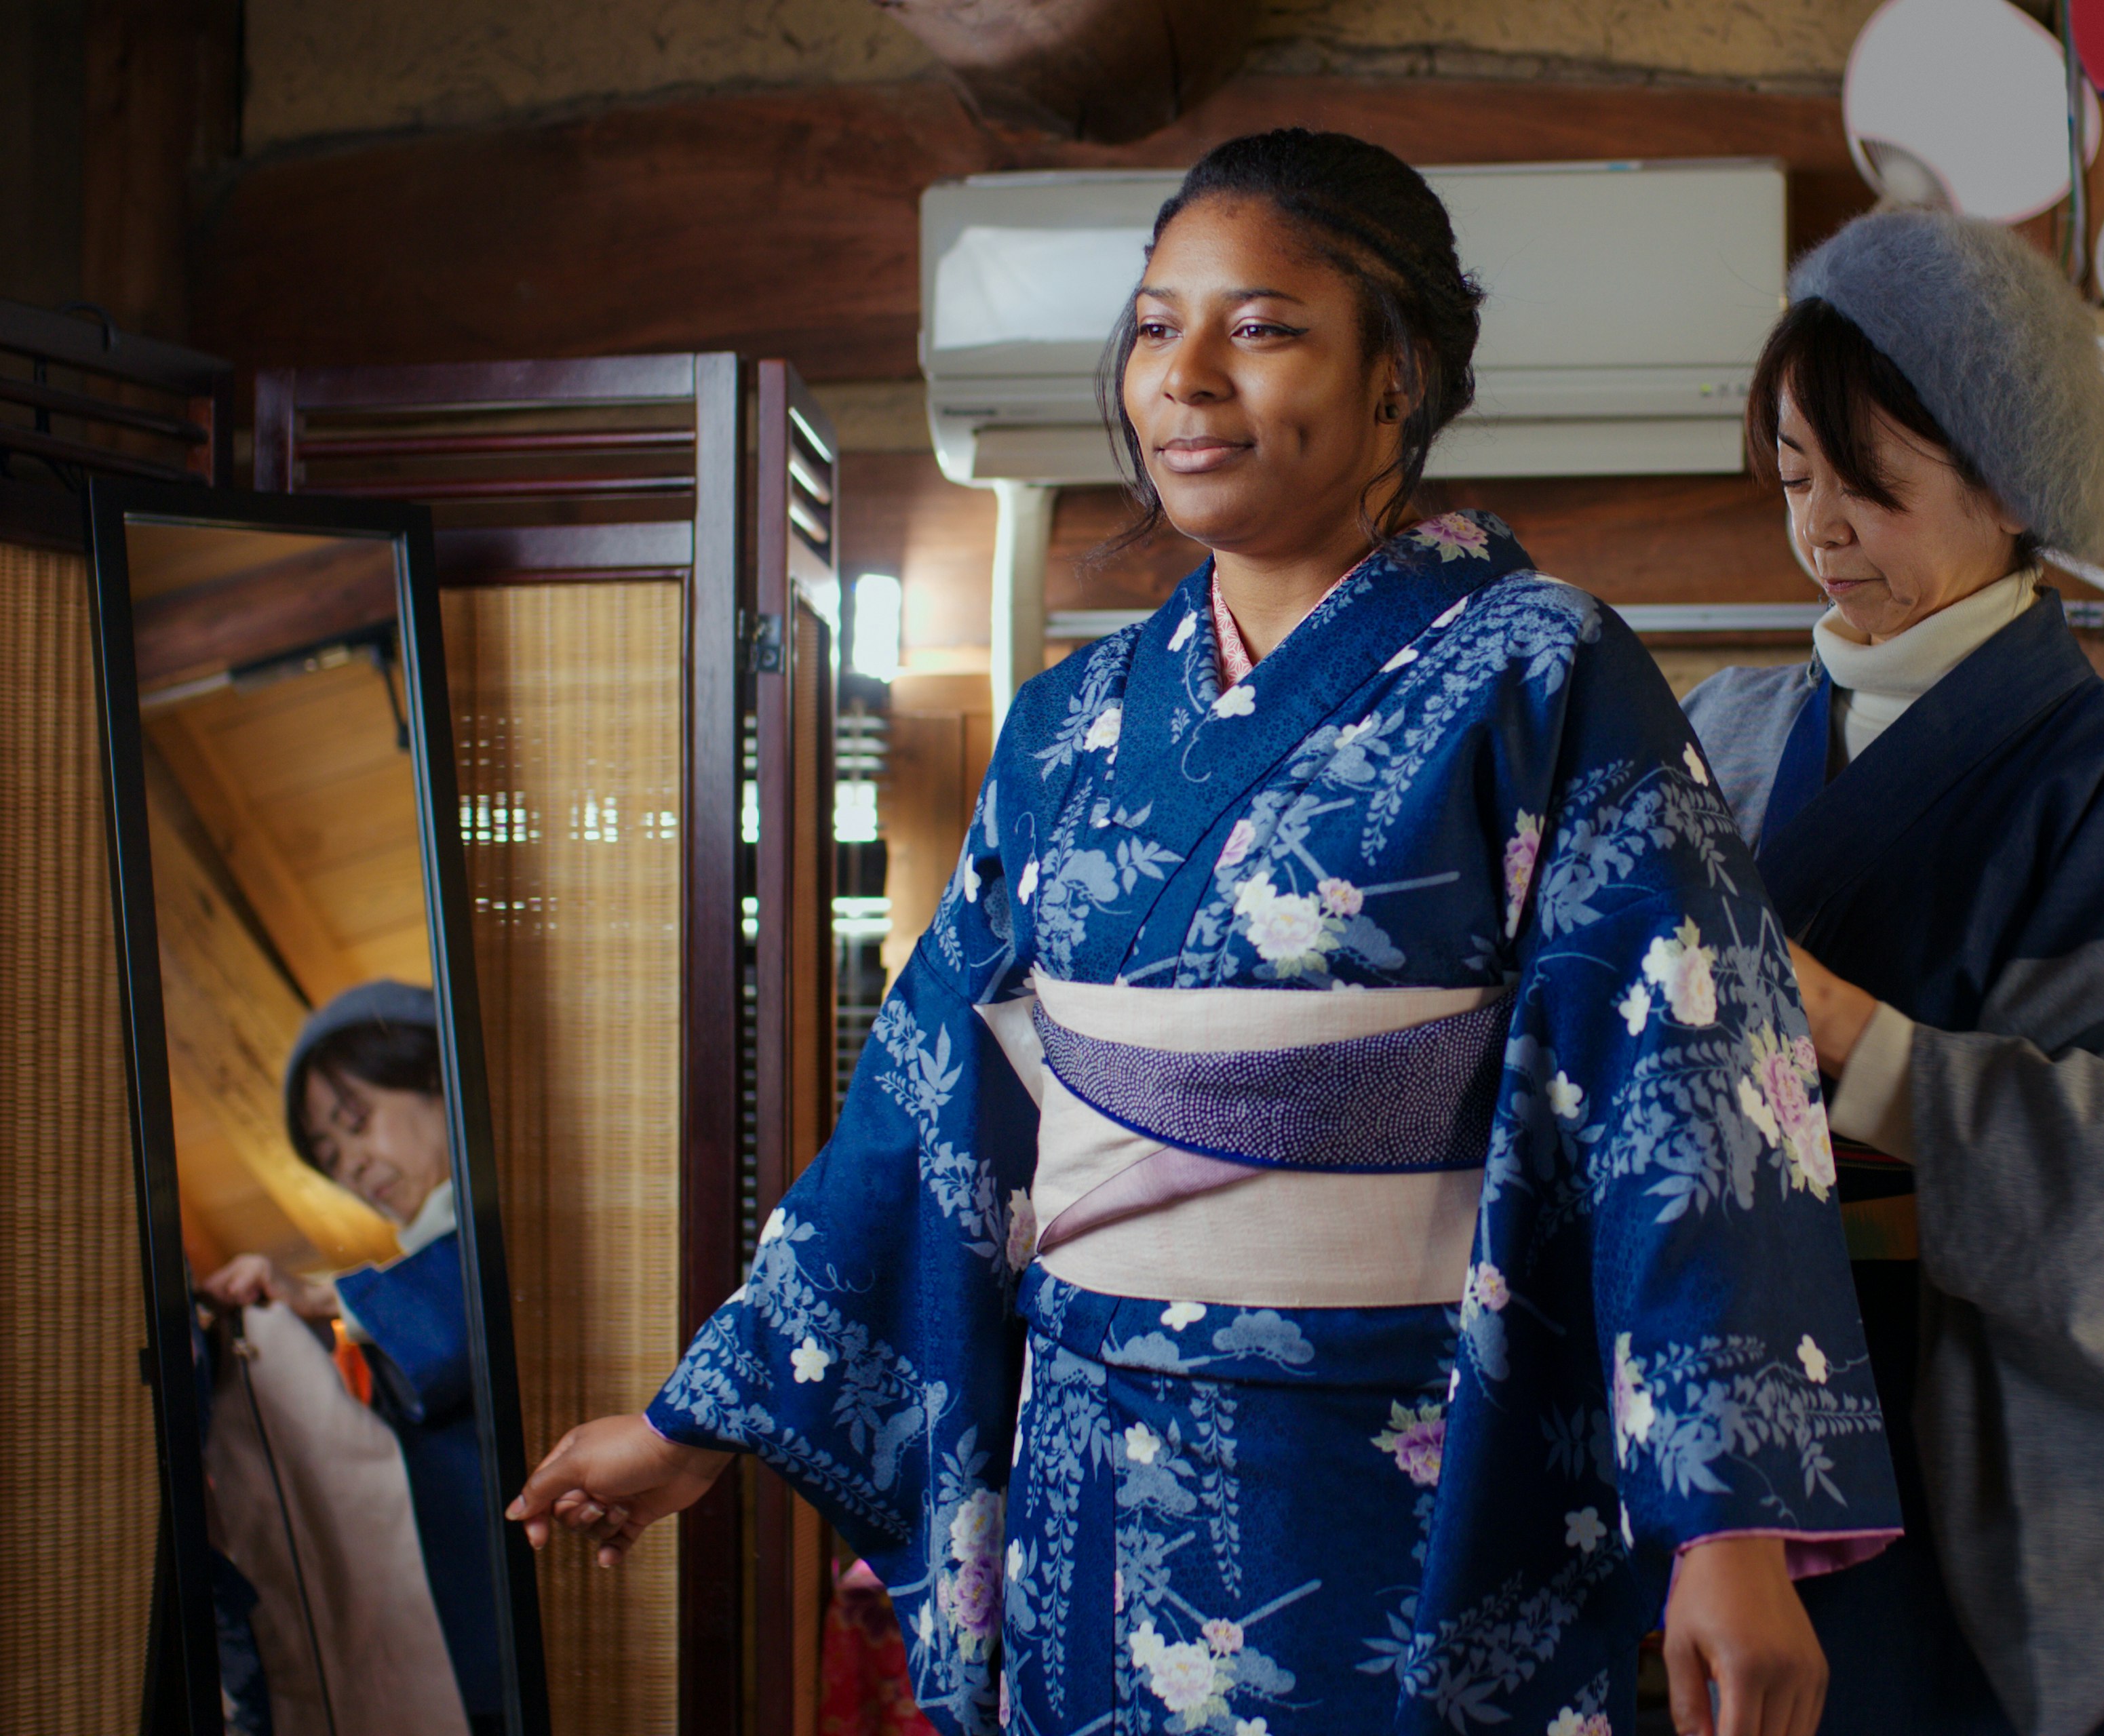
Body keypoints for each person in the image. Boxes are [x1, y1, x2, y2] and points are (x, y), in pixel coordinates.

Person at [511, 129, 1901, 1736]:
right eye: (1155, 324)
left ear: (1399, 373)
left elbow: (1685, 1064)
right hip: (1094, 1475)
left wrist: (1727, 1528)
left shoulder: (1538, 669)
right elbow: (929, 1100)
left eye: (1259, 326)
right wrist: (698, 1421)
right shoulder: (1067, 723)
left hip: (1408, 1464)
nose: (1183, 375)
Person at [1679, 211, 2104, 1736]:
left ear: (2010, 486)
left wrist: (1853, 1036)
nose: (1823, 534)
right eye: (1796, 479)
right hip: (1731, 1455)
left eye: (1868, 486)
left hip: (1963, 1450)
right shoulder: (1722, 735)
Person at [202, 980, 501, 1731]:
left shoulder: (510, 1222)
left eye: (355, 1121)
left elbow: (472, 1306)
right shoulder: (431, 1255)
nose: (351, 1166)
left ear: (437, 1075)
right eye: (331, 1155)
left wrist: (323, 1298)